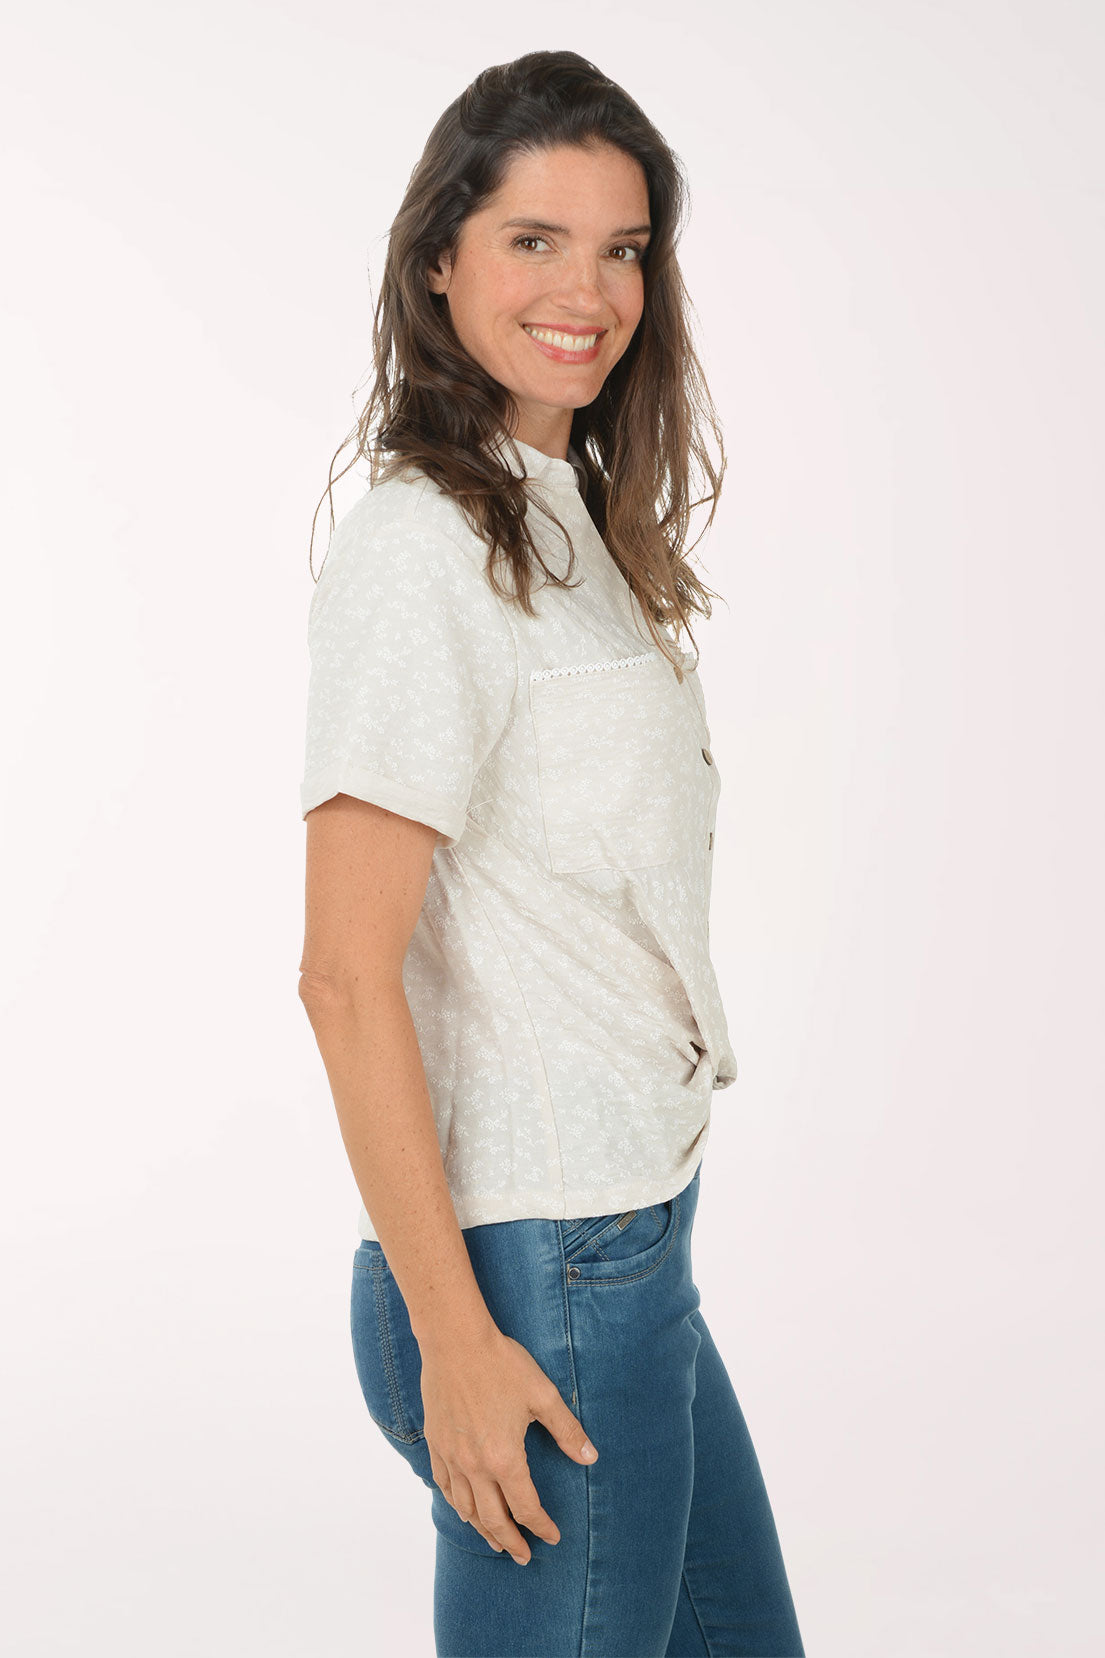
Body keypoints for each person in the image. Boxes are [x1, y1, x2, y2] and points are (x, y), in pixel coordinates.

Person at [297, 48, 806, 1658]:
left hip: (632, 1244)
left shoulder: (563, 509)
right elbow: (342, 972)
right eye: (533, 239)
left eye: (622, 246)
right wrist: (459, 1340)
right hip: (532, 1281)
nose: (586, 288)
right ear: (438, 253)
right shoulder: (419, 545)